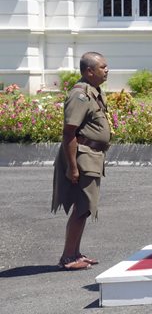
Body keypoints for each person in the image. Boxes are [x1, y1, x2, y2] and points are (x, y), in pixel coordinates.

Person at [51, 52, 111, 270]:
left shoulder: (93, 92)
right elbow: (69, 133)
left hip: (91, 156)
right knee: (82, 207)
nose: (107, 70)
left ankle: (75, 253)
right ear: (89, 71)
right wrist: (72, 167)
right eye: (102, 67)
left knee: (84, 207)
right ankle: (68, 258)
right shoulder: (80, 95)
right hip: (82, 157)